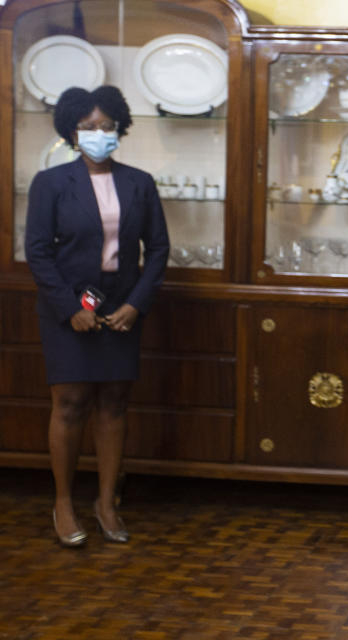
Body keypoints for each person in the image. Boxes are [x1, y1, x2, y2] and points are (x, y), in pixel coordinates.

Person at [25, 85, 169, 547]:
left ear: (120, 129)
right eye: (88, 127)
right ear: (72, 131)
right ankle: (64, 503)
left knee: (114, 405)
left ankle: (107, 502)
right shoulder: (50, 184)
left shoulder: (139, 183)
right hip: (67, 309)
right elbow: (38, 253)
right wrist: (70, 308)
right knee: (69, 405)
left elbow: (160, 250)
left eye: (107, 126)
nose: (99, 134)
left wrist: (135, 305)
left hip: (121, 310)